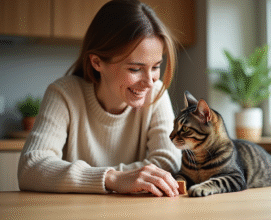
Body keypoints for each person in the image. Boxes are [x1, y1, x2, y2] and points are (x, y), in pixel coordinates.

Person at [17, 0, 181, 197]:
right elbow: (31, 167)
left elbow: (168, 162)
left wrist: (100, 178)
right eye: (135, 68)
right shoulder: (64, 94)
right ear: (97, 62)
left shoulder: (156, 93)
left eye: (155, 67)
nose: (149, 81)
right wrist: (113, 179)